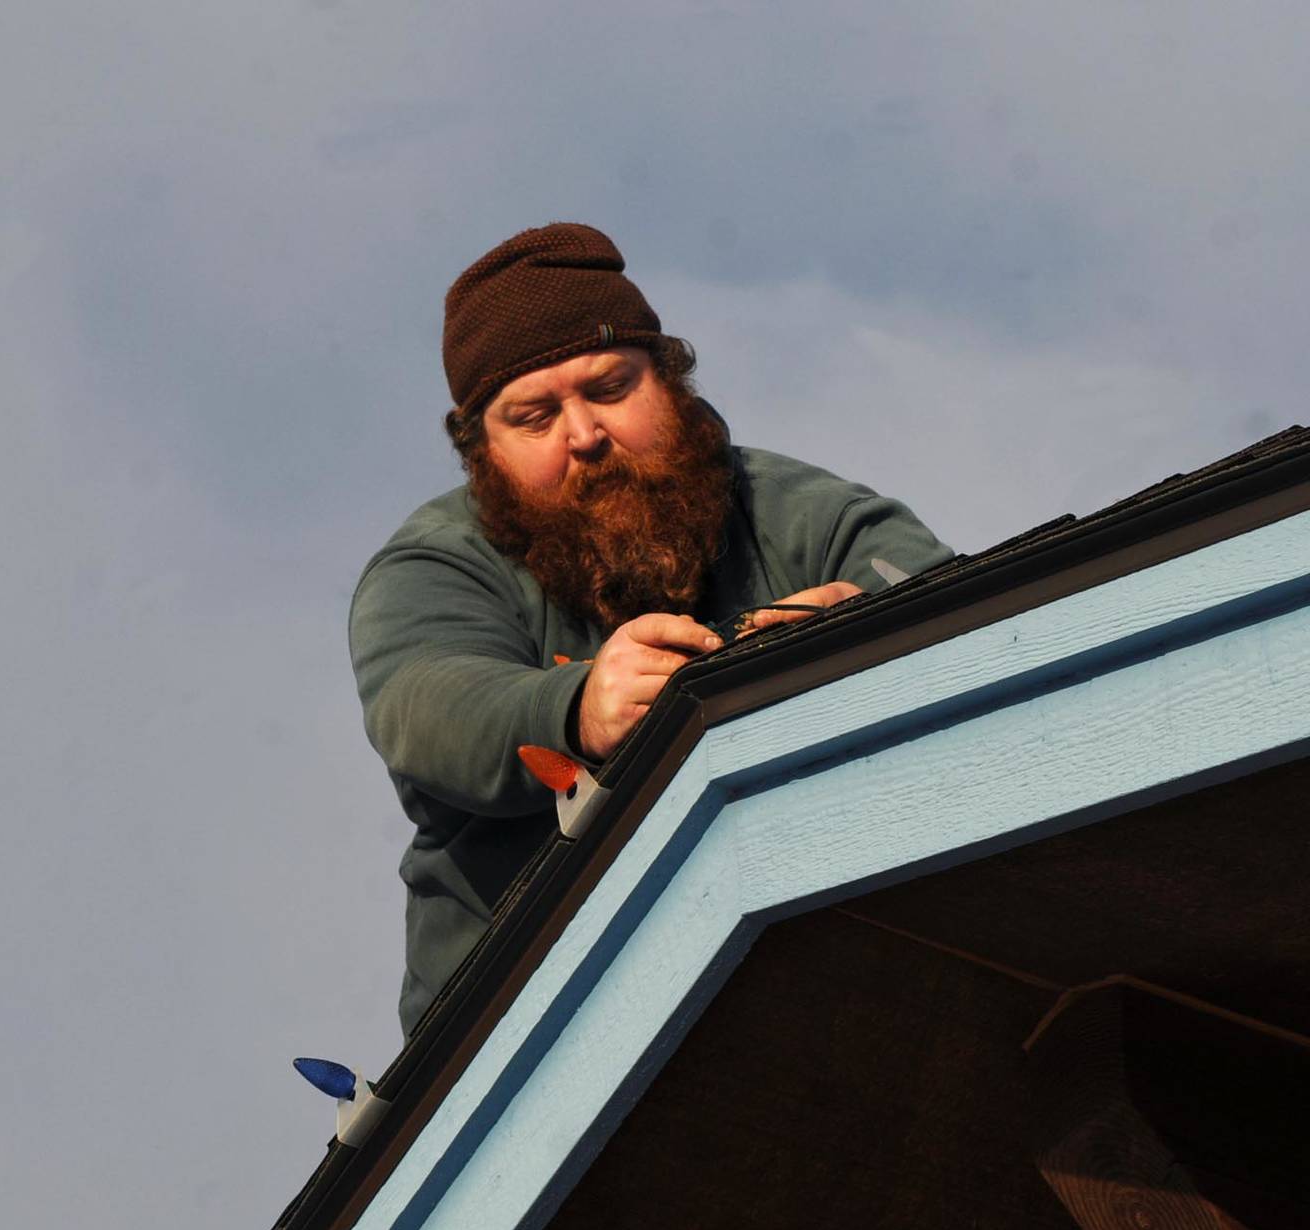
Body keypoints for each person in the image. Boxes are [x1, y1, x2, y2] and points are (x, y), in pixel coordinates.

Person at [351, 222, 953, 1035]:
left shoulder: (782, 507)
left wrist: (867, 622)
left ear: (668, 381)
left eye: (608, 389)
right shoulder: (436, 563)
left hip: (837, 960)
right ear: (479, 451)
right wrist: (578, 707)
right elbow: (423, 703)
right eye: (534, 417)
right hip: (530, 1026)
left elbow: (931, 580)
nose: (585, 436)